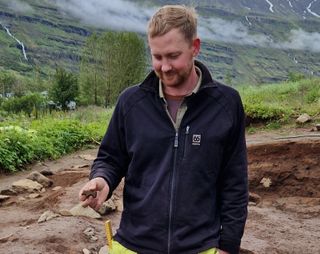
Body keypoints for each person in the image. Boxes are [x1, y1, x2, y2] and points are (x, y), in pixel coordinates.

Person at [79, 5, 248, 254]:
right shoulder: (130, 102)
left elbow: (235, 182)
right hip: (133, 245)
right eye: (157, 57)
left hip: (200, 247)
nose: (165, 67)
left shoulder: (226, 104)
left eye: (173, 56)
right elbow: (111, 157)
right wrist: (102, 179)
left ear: (195, 47)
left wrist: (228, 245)